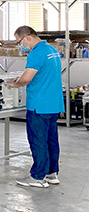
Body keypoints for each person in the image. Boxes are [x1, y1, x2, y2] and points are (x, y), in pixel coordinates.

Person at [7, 26, 64, 188]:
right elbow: (43, 74)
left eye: (19, 42)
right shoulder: (51, 50)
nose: (20, 46)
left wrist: (14, 84)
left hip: (39, 104)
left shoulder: (36, 53)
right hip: (53, 103)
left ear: (27, 38)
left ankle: (38, 176)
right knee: (51, 140)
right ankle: (51, 173)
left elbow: (26, 79)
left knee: (38, 141)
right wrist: (22, 78)